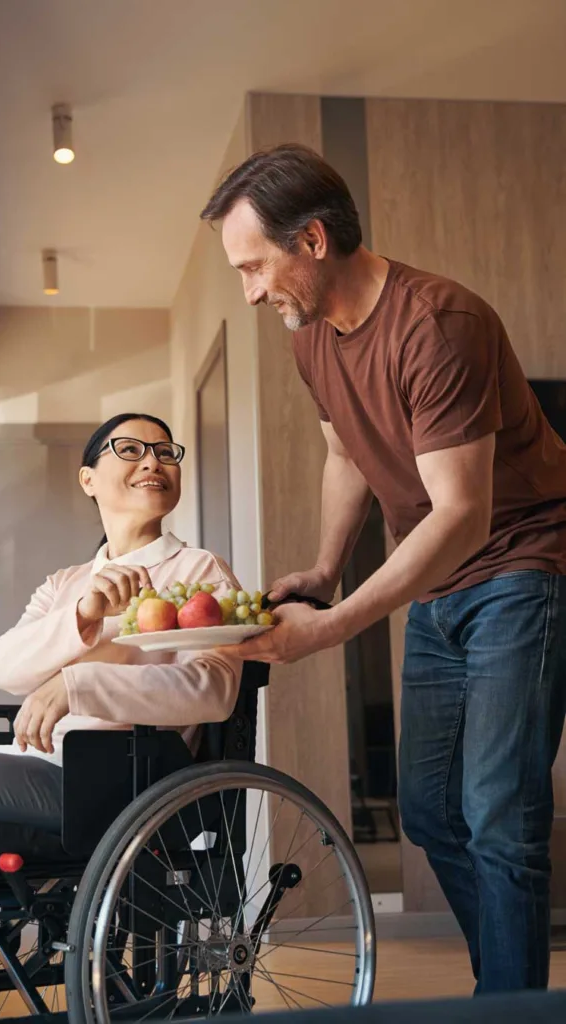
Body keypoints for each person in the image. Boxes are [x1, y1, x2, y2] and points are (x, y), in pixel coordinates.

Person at [201, 144, 566, 993]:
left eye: (255, 267)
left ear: (314, 240)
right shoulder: (313, 337)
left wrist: (331, 627)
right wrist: (324, 572)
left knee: (497, 815)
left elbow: (462, 512)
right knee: (433, 812)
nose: (251, 292)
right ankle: (507, 993)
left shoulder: (438, 323)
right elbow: (347, 456)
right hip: (441, 581)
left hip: (521, 564)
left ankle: (505, 1007)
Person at [0, 413, 241, 848]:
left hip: (101, 781)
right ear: (88, 480)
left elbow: (214, 690)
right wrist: (84, 615)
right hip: (29, 763)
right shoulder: (65, 584)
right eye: (130, 450)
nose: (152, 462)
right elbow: (4, 669)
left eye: (165, 452)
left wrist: (77, 685)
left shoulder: (199, 571)